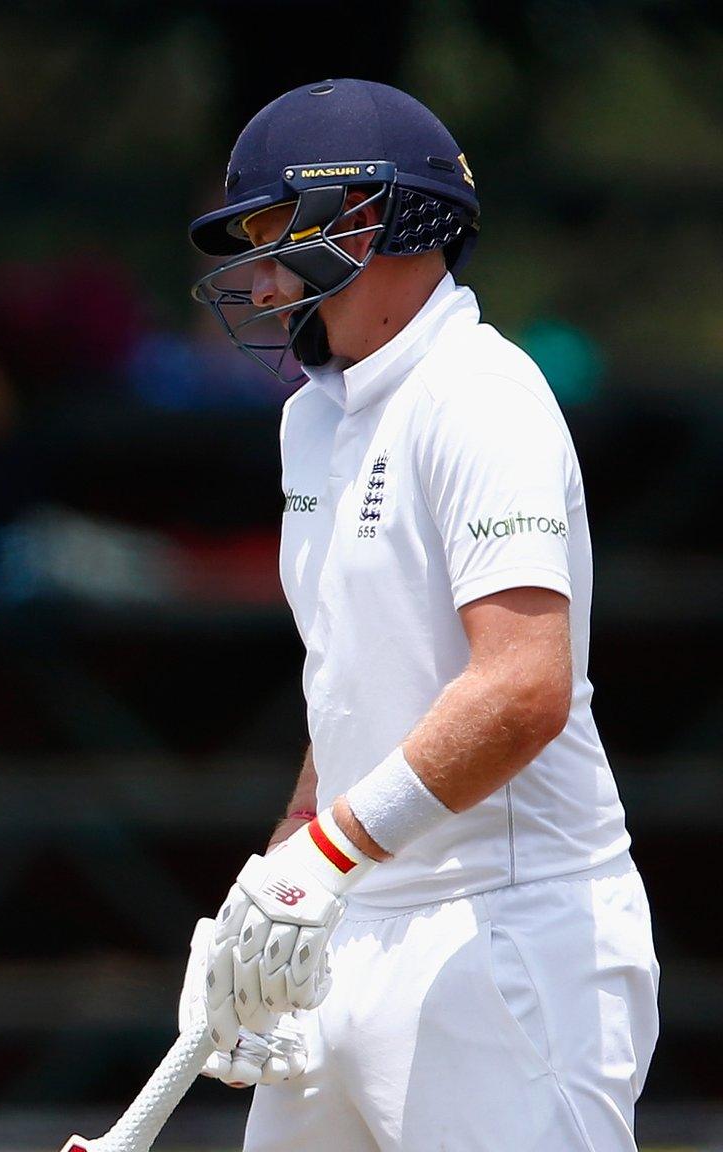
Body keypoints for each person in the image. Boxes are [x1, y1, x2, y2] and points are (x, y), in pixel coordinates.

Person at [180, 79, 658, 1150]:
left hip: (504, 934)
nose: (256, 279)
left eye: (270, 235)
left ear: (362, 217)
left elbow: (522, 686)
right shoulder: (312, 419)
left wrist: (326, 855)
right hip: (352, 917)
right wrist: (274, 879)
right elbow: (349, 686)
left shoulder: (481, 395)